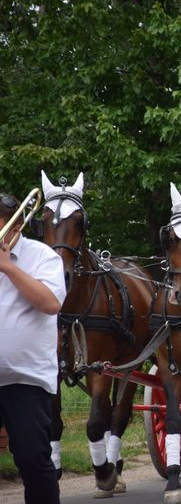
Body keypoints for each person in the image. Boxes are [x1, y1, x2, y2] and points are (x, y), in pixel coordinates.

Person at [0, 193, 67, 504]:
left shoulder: (42, 256)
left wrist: (8, 267)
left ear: (15, 228)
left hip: (25, 379)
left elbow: (50, 303)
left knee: (31, 459)